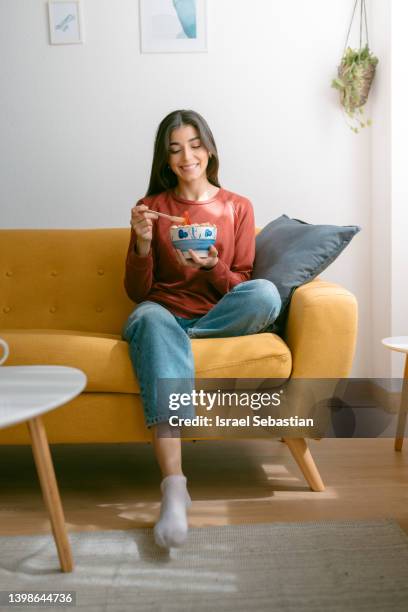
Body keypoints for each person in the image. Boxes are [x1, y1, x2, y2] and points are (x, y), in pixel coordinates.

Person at [122, 109, 281, 549]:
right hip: (163, 312)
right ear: (165, 159)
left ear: (209, 148)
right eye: (175, 149)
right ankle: (174, 486)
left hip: (216, 319)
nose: (186, 156)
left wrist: (213, 266)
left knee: (266, 295)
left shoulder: (238, 206)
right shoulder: (152, 207)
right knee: (152, 318)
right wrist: (141, 243)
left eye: (194, 145)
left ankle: (173, 344)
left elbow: (244, 285)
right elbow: (138, 292)